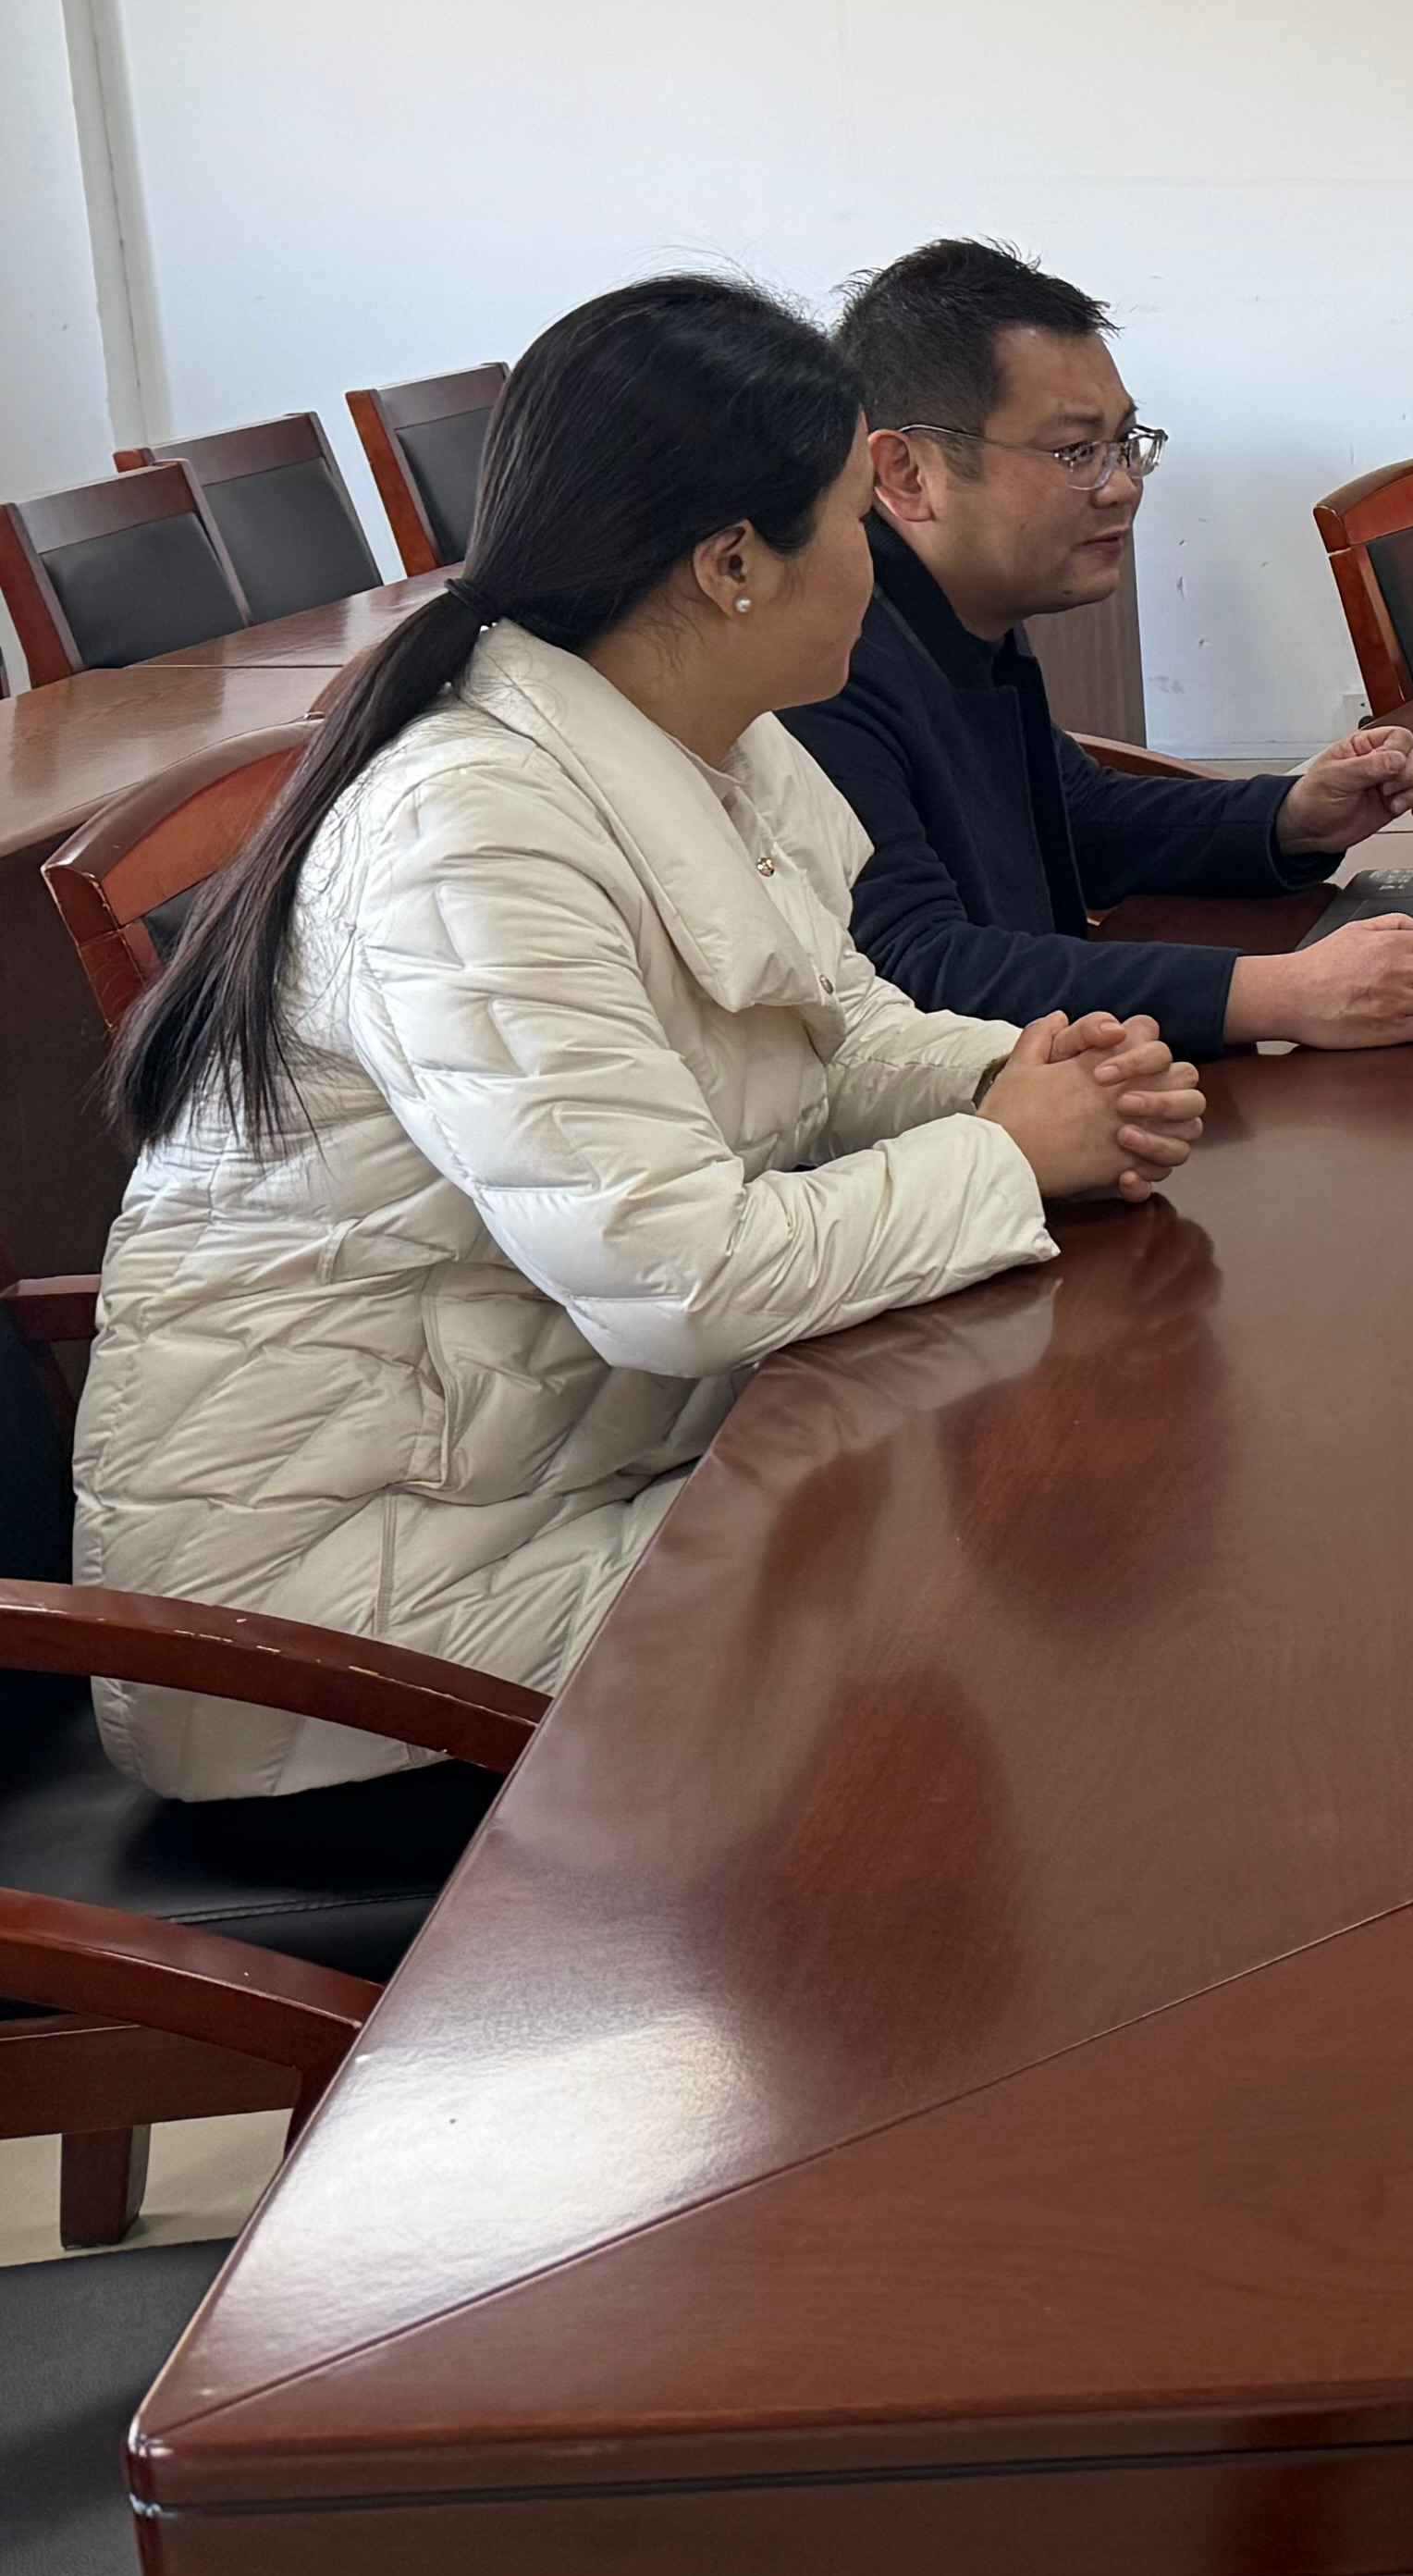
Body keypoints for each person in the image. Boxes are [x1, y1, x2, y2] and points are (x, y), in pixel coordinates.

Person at [78, 277, 1203, 1843]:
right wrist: (1007, 1152)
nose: (876, 556)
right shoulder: (470, 831)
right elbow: (673, 1275)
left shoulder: (708, 733)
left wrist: (1011, 1072)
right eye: (849, 517)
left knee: (1029, 1504)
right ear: (730, 564)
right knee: (996, 1600)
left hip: (564, 1475)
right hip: (327, 1638)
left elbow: (833, 1024)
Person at [790, 240, 1413, 1058]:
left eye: (1125, 443)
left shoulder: (959, 611)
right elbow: (916, 973)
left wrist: (1290, 817)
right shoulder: (820, 660)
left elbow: (1081, 820)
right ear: (907, 472)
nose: (1123, 485)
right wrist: (1281, 993)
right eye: (1076, 452)